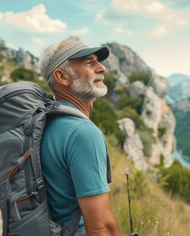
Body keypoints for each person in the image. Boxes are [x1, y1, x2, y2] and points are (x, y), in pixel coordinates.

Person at [39, 36, 120, 236]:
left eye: (98, 61)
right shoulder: (82, 133)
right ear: (62, 77)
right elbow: (100, 227)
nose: (102, 68)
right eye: (89, 62)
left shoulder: (46, 122)